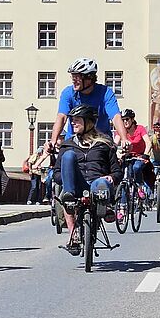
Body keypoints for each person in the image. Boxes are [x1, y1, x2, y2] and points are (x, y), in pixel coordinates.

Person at [53, 104, 123, 255]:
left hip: (97, 185)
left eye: (77, 120)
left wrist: (111, 177)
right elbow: (56, 174)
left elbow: (117, 172)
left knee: (101, 183)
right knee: (68, 157)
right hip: (76, 186)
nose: (73, 123)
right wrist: (66, 180)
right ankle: (73, 234)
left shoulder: (104, 144)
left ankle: (104, 208)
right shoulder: (67, 145)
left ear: (89, 122)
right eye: (72, 120)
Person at [46, 57, 128, 150]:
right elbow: (62, 117)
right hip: (75, 141)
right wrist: (53, 141)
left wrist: (124, 139)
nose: (73, 80)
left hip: (100, 141)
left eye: (77, 77)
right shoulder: (68, 93)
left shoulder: (105, 93)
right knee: (67, 158)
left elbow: (115, 117)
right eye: (72, 76)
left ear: (89, 78)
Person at [113, 108, 153, 216]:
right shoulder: (121, 130)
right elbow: (115, 143)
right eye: (123, 120)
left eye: (127, 119)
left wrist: (145, 154)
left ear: (132, 120)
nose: (125, 122)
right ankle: (122, 210)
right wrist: (112, 151)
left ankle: (140, 188)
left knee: (136, 168)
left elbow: (148, 143)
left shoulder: (140, 129)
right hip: (127, 156)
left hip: (140, 156)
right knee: (123, 180)